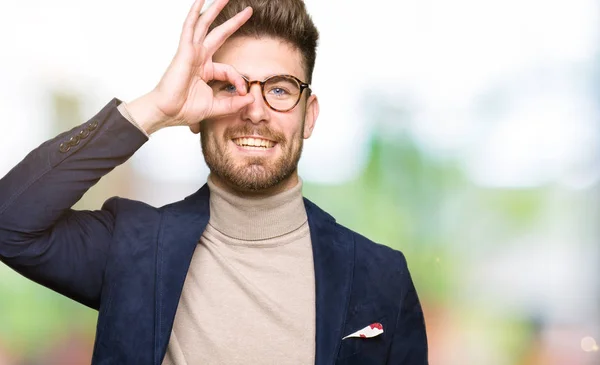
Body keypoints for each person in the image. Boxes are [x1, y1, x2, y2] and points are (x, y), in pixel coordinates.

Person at [0, 0, 428, 363]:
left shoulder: (381, 276)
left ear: (309, 114)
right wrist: (154, 109)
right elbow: (9, 222)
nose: (255, 110)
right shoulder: (134, 247)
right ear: (197, 107)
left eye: (279, 90)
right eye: (231, 85)